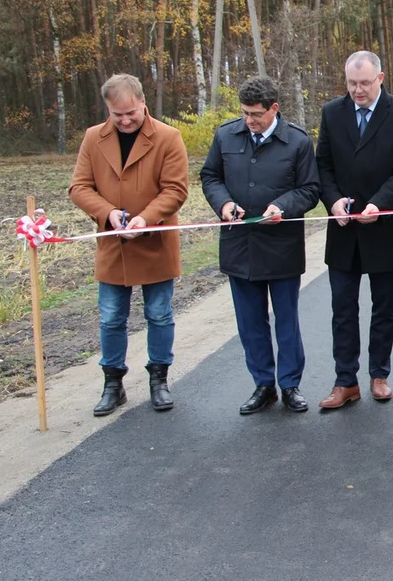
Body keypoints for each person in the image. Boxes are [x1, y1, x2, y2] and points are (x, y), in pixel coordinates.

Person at [69, 73, 189, 416]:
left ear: (142, 103)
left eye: (130, 113)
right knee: (110, 318)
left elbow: (176, 189)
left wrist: (145, 218)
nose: (124, 120)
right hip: (113, 245)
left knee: (159, 314)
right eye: (116, 114)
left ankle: (159, 380)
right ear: (108, 109)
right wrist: (108, 214)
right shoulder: (94, 138)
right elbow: (79, 187)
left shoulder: (167, 137)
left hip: (155, 243)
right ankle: (113, 384)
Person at [200, 76, 321, 415]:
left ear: (274, 109)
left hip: (281, 246)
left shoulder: (296, 142)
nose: (249, 121)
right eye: (244, 114)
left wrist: (282, 205)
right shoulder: (226, 135)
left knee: (286, 321)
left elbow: (310, 189)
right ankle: (263, 385)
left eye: (256, 114)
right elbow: (210, 176)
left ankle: (290, 385)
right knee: (250, 322)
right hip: (240, 247)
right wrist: (223, 204)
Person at [315, 51, 393, 409]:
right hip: (344, 230)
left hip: (385, 227)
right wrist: (332, 202)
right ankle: (345, 381)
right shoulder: (332, 113)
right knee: (343, 308)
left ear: (380, 78)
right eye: (351, 83)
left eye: (363, 83)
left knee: (383, 306)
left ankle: (379, 374)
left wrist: (380, 203)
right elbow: (324, 166)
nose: (357, 91)